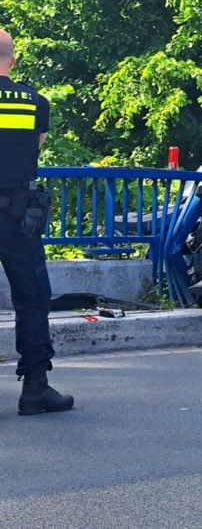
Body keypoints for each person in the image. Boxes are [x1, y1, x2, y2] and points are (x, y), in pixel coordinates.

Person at [0, 28, 73, 415]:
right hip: (17, 216)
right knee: (32, 298)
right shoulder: (34, 102)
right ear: (12, 60)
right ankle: (35, 389)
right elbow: (35, 146)